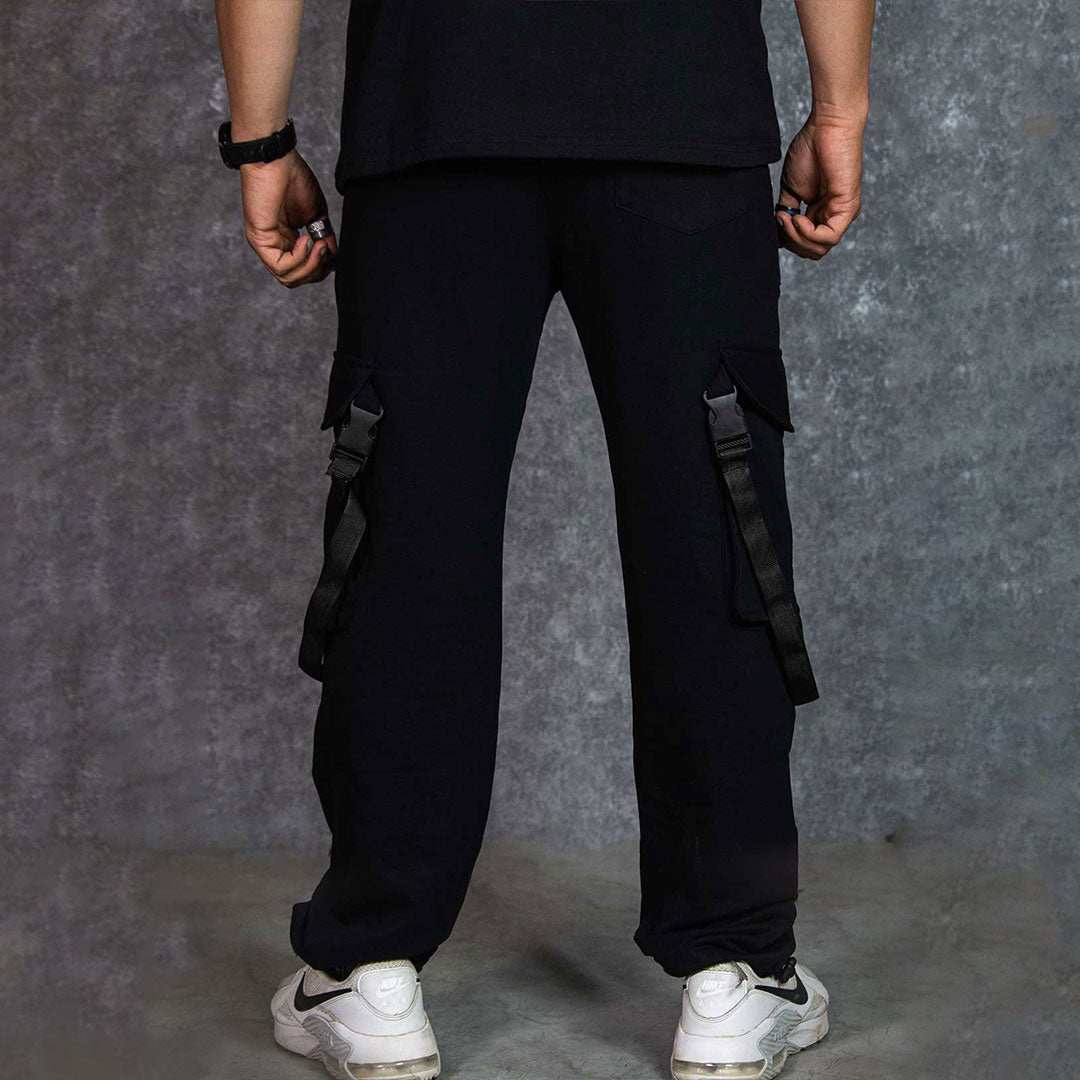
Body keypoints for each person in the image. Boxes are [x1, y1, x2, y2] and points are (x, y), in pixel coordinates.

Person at [213, 2, 873, 1078]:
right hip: (680, 112)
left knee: (408, 535)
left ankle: (372, 961)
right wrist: (838, 113)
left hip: (436, 115)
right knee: (713, 524)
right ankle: (736, 966)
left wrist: (261, 141)